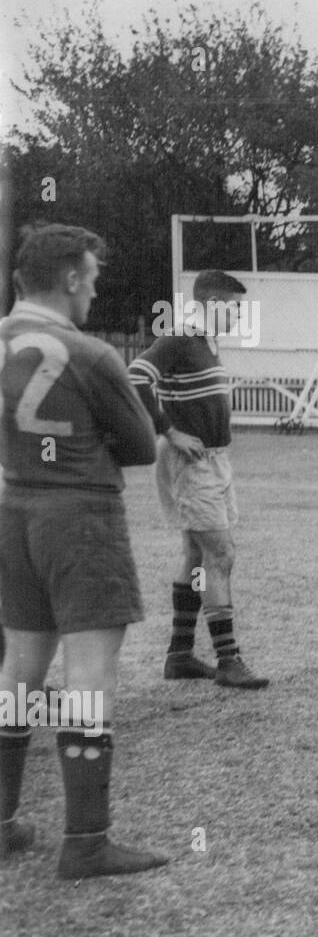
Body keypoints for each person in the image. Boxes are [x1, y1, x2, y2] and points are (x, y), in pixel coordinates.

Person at [0, 223, 168, 877]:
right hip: (81, 517)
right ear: (70, 278)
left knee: (20, 667)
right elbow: (141, 446)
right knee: (90, 674)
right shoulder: (90, 353)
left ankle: (3, 822)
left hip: (14, 511)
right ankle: (87, 841)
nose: (95, 291)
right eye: (93, 278)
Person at [128, 270, 266, 690]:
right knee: (220, 553)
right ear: (213, 304)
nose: (239, 316)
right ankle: (228, 660)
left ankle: (180, 655)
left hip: (215, 460)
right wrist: (169, 431)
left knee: (195, 553)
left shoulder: (207, 344)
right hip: (192, 464)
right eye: (235, 308)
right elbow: (135, 377)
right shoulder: (179, 338)